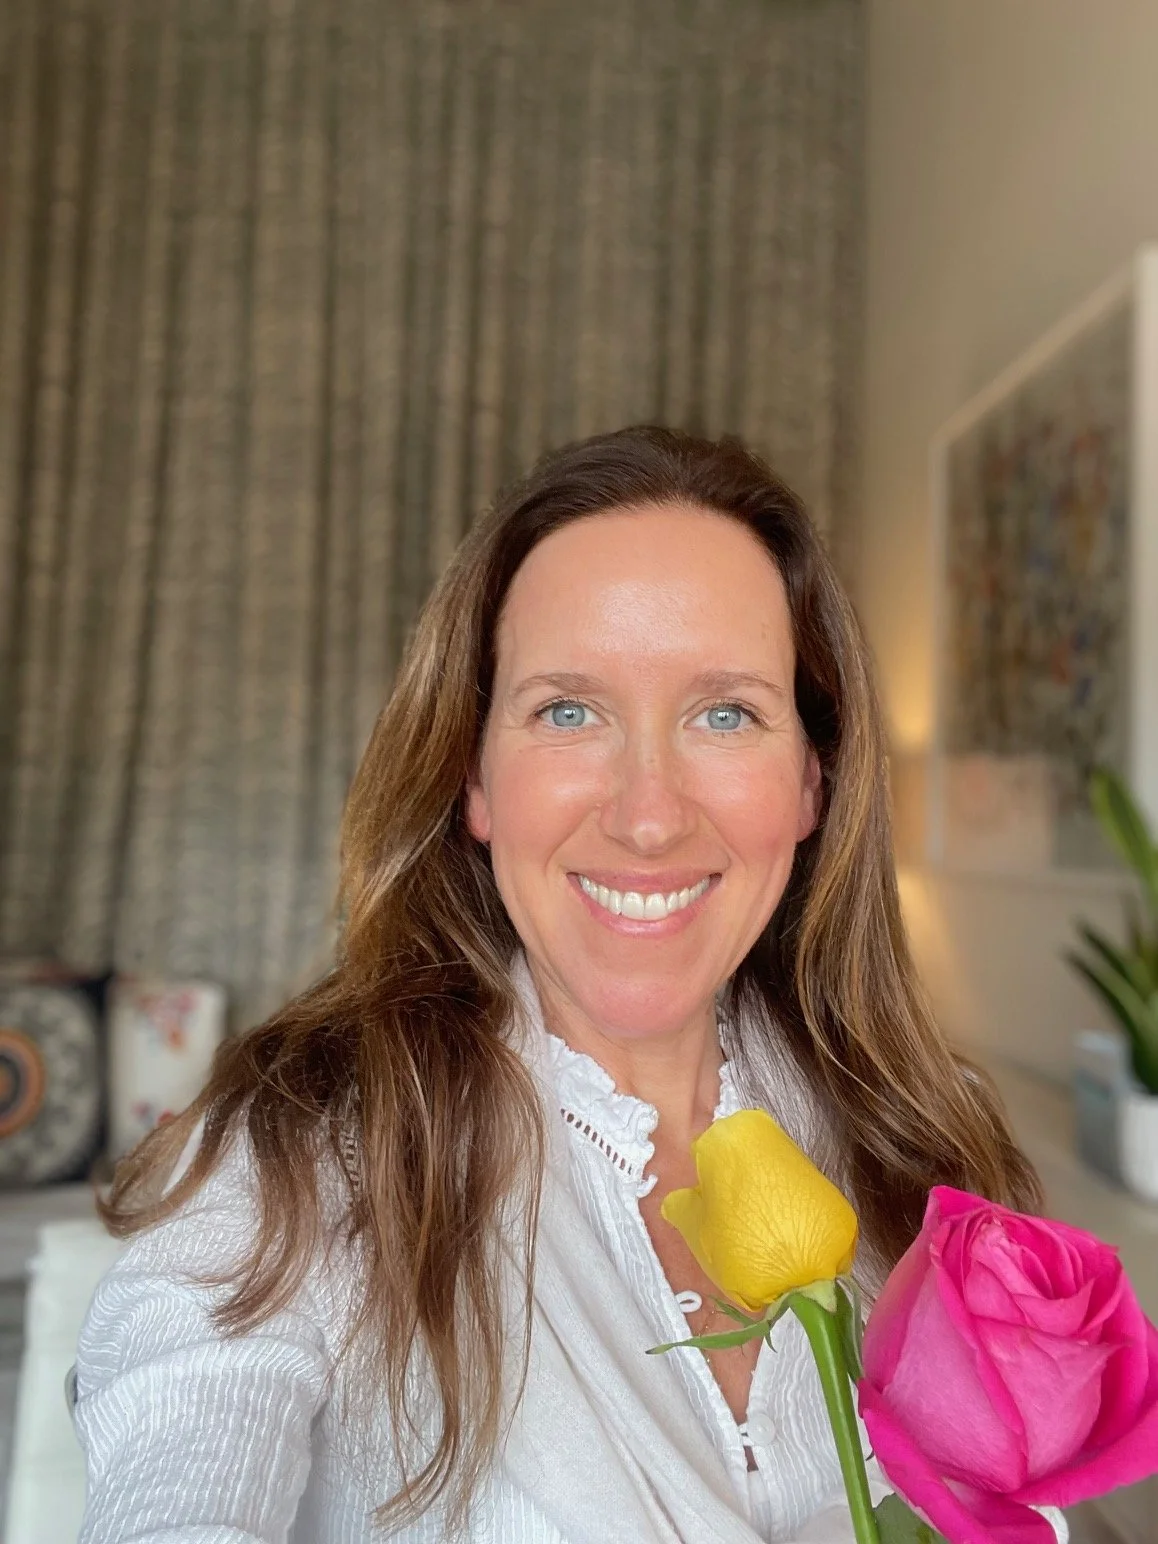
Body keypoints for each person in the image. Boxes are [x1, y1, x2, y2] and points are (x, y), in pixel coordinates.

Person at [74, 426, 1041, 1544]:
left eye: (725, 712)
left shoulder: (923, 1136)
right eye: (567, 710)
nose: (647, 813)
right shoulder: (301, 1148)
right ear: (474, 776)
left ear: (814, 779)